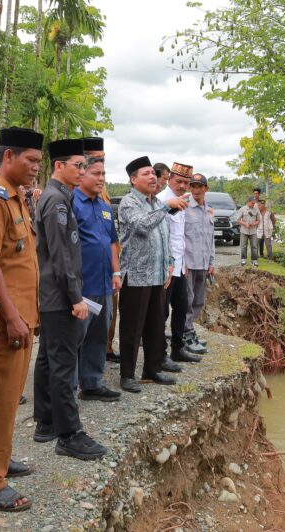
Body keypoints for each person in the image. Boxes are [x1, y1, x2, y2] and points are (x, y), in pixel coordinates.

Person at [0, 126, 44, 513]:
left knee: (10, 399)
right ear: (9, 157)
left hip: (23, 318)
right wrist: (12, 316)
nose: (37, 167)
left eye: (39, 161)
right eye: (31, 160)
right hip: (6, 322)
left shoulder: (15, 197)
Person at [33, 138, 107, 461]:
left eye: (84, 165)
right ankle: (69, 434)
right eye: (78, 165)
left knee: (50, 360)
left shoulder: (58, 197)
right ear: (59, 166)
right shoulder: (56, 201)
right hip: (60, 297)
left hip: (54, 295)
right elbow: (60, 255)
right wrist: (75, 296)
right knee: (63, 364)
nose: (82, 171)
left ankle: (47, 421)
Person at [118, 156, 182, 393]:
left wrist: (170, 262)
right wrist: (168, 206)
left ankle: (152, 370)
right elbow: (142, 226)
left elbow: (164, 236)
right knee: (132, 328)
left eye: (153, 173)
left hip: (158, 275)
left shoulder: (155, 203)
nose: (152, 177)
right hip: (136, 276)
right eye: (146, 174)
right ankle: (127, 375)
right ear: (133, 180)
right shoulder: (129, 203)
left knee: (156, 325)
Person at [72, 155, 122, 401]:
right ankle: (67, 390)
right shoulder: (72, 202)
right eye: (96, 173)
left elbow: (112, 241)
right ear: (83, 174)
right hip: (81, 284)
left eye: (104, 174)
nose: (101, 178)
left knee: (99, 335)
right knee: (75, 337)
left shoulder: (104, 207)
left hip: (104, 282)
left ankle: (92, 383)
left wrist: (116, 271)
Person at [157, 162, 204, 362]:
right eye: (179, 181)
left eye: (187, 182)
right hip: (163, 268)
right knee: (161, 312)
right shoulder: (161, 200)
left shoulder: (183, 200)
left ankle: (178, 349)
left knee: (182, 307)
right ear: (169, 180)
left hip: (178, 266)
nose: (183, 186)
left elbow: (179, 237)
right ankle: (159, 354)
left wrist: (183, 263)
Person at [183, 173, 216, 352]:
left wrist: (212, 262)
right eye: (193, 186)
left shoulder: (209, 210)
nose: (196, 190)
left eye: (200, 186)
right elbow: (179, 236)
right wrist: (181, 262)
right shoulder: (185, 208)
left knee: (198, 301)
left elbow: (210, 240)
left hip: (203, 264)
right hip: (189, 263)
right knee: (187, 300)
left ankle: (189, 331)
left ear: (206, 189)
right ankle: (186, 335)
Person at [238, 195, 260, 267]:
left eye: (254, 203)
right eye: (252, 203)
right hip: (244, 231)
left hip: (253, 231)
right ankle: (243, 259)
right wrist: (245, 224)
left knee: (254, 246)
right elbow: (238, 220)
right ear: (248, 201)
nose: (253, 204)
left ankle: (254, 260)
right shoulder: (242, 209)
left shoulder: (256, 209)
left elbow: (258, 220)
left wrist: (254, 224)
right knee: (243, 246)